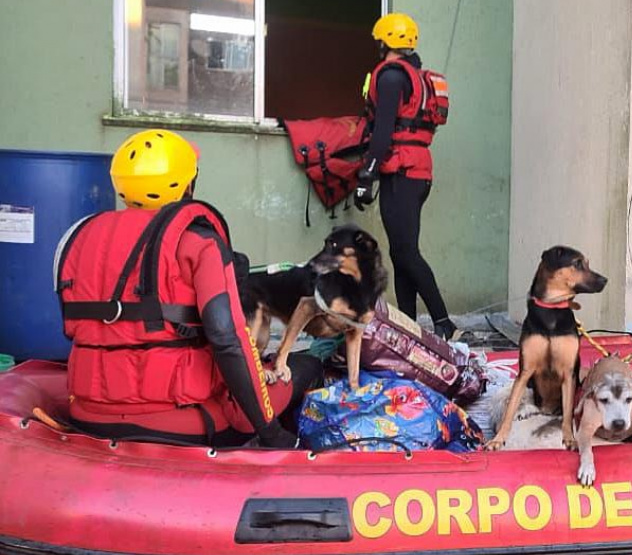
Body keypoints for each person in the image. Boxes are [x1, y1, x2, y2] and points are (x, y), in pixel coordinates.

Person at [56, 129, 321, 447]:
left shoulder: (76, 238)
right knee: (310, 365)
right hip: (182, 422)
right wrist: (272, 433)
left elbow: (75, 329)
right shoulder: (199, 242)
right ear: (187, 183)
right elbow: (227, 339)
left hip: (88, 417)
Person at [354, 12, 458, 341]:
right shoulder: (414, 76)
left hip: (401, 171)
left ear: (385, 41)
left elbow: (383, 131)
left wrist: (366, 174)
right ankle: (409, 323)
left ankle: (444, 323)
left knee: (407, 253)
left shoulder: (390, 78)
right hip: (417, 171)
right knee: (401, 252)